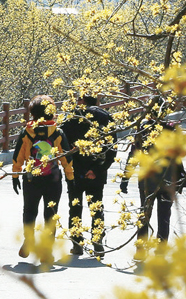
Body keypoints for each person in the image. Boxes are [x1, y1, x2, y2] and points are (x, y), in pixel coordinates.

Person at [12, 94, 74, 259]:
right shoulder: (57, 132)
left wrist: (15, 175)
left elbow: (17, 155)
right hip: (52, 178)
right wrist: (70, 177)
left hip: (31, 178)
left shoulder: (27, 132)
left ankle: (29, 241)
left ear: (32, 113)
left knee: (29, 211)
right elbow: (66, 157)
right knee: (50, 214)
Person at [120, 115, 186, 254]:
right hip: (168, 179)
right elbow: (183, 153)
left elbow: (134, 155)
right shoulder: (172, 130)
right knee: (164, 216)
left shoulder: (143, 130)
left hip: (147, 180)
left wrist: (126, 178)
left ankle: (141, 249)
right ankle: (161, 249)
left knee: (144, 214)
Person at [60, 94, 117, 257]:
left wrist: (69, 164)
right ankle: (97, 241)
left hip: (75, 170)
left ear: (82, 101)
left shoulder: (72, 117)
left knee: (75, 206)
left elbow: (62, 144)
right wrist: (98, 170)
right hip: (97, 170)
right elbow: (112, 148)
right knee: (96, 206)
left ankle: (77, 243)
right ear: (97, 101)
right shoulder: (106, 117)